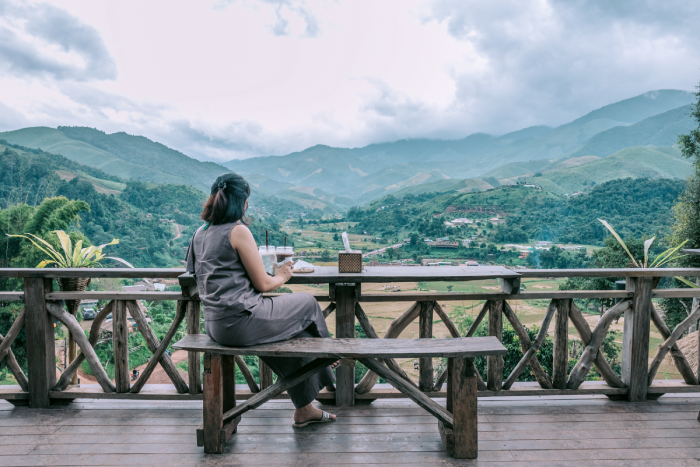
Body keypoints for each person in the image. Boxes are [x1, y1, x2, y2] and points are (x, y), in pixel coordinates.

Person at [186, 173, 336, 427]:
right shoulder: (238, 230)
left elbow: (196, 271)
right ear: (242, 203)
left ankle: (305, 409)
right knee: (308, 303)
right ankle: (330, 354)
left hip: (214, 325)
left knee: (296, 337)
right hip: (241, 321)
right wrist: (283, 274)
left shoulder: (199, 233)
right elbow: (263, 285)